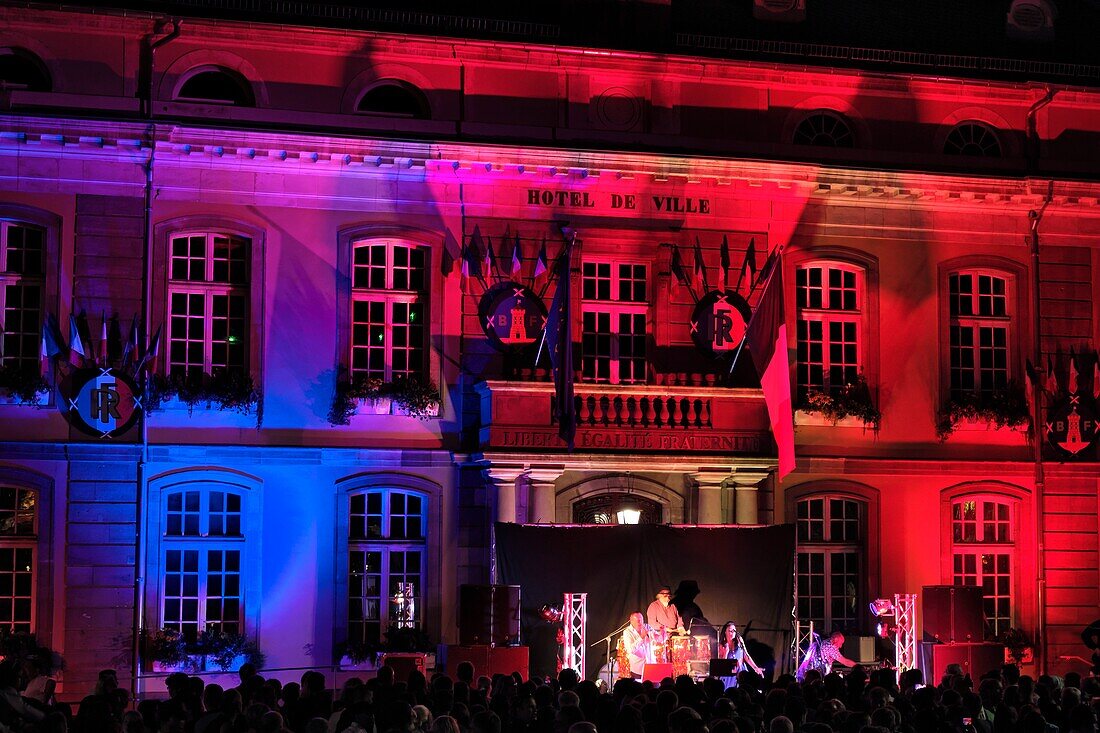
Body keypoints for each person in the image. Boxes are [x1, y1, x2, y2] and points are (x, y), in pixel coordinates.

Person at [716, 622, 764, 688]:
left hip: (740, 670)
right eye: (730, 631)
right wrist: (726, 652)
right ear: (725, 632)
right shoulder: (722, 645)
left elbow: (746, 655)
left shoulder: (739, 640)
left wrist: (755, 668)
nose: (732, 632)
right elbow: (722, 666)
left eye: (734, 630)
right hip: (729, 673)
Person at [621, 612, 654, 679]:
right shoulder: (627, 632)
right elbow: (631, 650)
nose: (640, 622)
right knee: (639, 688)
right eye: (637, 620)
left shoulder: (647, 627)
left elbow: (658, 640)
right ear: (631, 621)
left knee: (653, 688)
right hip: (638, 669)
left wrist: (662, 635)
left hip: (651, 666)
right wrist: (641, 637)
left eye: (641, 620)